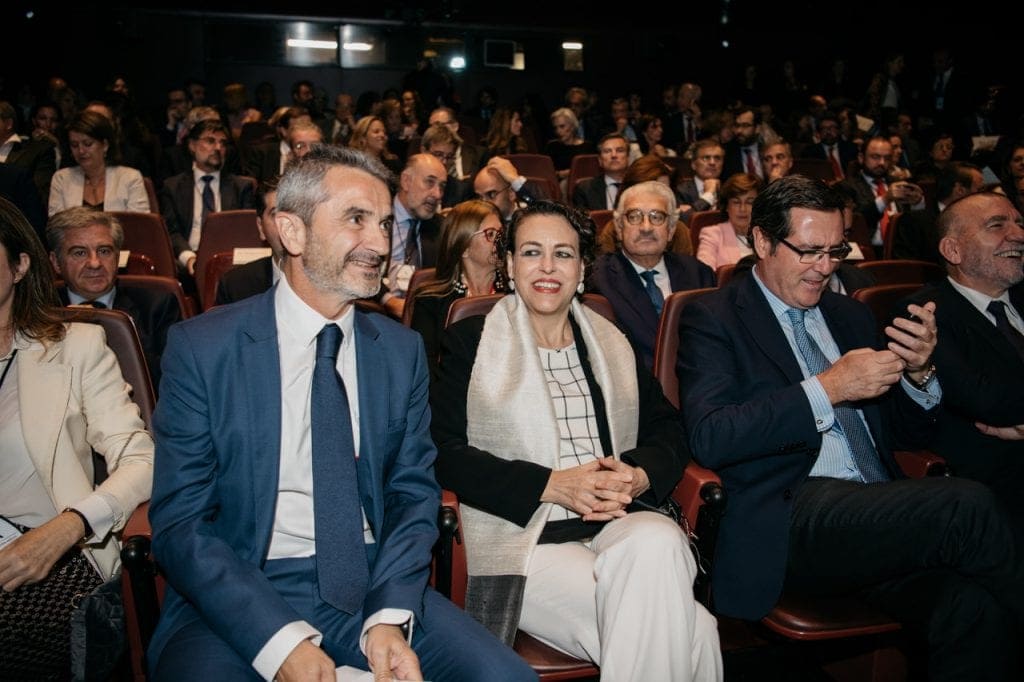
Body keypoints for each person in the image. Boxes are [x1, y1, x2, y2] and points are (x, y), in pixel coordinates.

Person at [147, 145, 534, 681]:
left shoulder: (399, 352)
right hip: (236, 595)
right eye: (356, 220)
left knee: (505, 678)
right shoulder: (204, 348)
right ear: (293, 231)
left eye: (381, 223)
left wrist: (388, 616)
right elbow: (181, 524)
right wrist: (280, 644)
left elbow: (413, 494)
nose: (379, 242)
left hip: (372, 582)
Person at [678, 175, 1024, 681]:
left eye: (836, 251)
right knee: (963, 502)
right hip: (792, 514)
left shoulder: (847, 315)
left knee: (972, 607)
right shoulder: (713, 317)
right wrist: (828, 388)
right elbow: (712, 435)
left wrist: (920, 374)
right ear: (762, 242)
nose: (825, 268)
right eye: (809, 251)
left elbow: (906, 437)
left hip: (877, 512)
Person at [431, 200, 723, 681]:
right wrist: (551, 484)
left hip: (616, 526)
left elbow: (668, 428)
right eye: (531, 252)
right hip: (528, 544)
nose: (547, 267)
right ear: (508, 265)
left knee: (658, 537)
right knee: (699, 633)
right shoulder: (470, 342)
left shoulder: (611, 340)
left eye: (563, 254)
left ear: (583, 268)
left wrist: (637, 474)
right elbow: (444, 453)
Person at [0, 197, 153, 678]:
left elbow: (142, 459)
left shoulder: (75, 348)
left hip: (48, 557)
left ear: (21, 265)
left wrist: (71, 526)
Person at [900, 192, 1024, 536]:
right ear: (952, 250)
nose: (1018, 235)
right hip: (994, 482)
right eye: (997, 225)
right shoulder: (925, 313)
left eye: (1019, 223)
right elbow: (987, 400)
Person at [47, 206, 181, 383]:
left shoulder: (156, 307)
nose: (95, 263)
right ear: (56, 263)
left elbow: (169, 381)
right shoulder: (40, 310)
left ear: (117, 257)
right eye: (79, 253)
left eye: (104, 251)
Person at [587, 181, 713, 369]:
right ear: (619, 228)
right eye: (634, 216)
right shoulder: (596, 279)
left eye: (657, 217)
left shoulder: (700, 275)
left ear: (670, 230)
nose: (646, 227)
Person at [408, 199, 505, 372]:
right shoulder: (431, 301)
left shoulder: (516, 292)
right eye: (490, 234)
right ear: (464, 247)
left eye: (501, 233)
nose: (501, 241)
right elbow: (425, 367)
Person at [159, 119, 256, 276]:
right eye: (210, 141)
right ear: (192, 146)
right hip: (187, 260)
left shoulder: (241, 187)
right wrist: (189, 258)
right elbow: (171, 231)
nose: (218, 148)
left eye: (223, 143)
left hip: (228, 262)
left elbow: (244, 233)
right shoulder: (173, 187)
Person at [48, 110, 149, 216]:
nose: (81, 151)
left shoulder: (130, 178)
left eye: (88, 144)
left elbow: (139, 227)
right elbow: (56, 227)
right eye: (74, 145)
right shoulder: (62, 179)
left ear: (105, 145)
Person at [214, 179, 281, 306]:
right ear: (261, 227)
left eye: (295, 211)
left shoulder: (329, 282)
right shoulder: (235, 286)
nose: (287, 222)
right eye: (276, 214)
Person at [696, 172, 763, 270]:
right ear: (727, 206)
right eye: (736, 202)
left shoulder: (767, 236)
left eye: (749, 202)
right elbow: (705, 274)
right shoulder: (712, 235)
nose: (743, 209)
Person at [572, 133, 629, 211]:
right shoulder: (585, 189)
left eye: (619, 150)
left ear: (628, 157)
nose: (614, 155)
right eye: (607, 151)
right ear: (600, 160)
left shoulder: (640, 186)